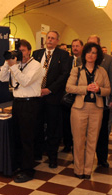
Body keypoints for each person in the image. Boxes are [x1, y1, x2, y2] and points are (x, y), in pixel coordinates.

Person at [0, 39, 44, 183]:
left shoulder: (36, 65)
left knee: (27, 138)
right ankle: (20, 165)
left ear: (29, 51)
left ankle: (28, 170)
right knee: (17, 136)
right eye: (18, 51)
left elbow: (25, 81)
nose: (20, 54)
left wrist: (14, 67)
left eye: (23, 51)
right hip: (17, 103)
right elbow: (2, 78)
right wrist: (8, 63)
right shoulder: (15, 65)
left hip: (30, 104)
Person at [66, 42, 111, 180]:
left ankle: (87, 170)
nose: (91, 55)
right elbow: (69, 87)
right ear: (84, 54)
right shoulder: (77, 70)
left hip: (97, 109)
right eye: (89, 52)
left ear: (98, 55)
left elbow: (108, 90)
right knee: (78, 140)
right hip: (79, 108)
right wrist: (86, 88)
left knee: (92, 140)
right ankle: (78, 169)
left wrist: (99, 90)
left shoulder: (102, 71)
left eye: (94, 53)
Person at [32, 31, 71, 169]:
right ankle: (37, 153)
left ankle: (52, 157)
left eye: (53, 38)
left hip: (53, 97)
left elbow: (64, 74)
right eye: (48, 38)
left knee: (53, 129)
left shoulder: (63, 55)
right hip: (37, 97)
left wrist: (49, 89)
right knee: (37, 126)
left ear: (57, 41)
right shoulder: (36, 54)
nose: (49, 40)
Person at [87, 35, 112, 169]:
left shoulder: (109, 60)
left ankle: (102, 158)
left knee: (102, 132)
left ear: (99, 45)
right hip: (85, 102)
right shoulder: (80, 60)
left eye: (94, 45)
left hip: (102, 101)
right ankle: (84, 158)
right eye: (89, 45)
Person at [62, 38, 85, 153]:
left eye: (77, 46)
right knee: (66, 122)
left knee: (78, 125)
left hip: (80, 96)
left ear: (82, 47)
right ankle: (67, 144)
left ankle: (78, 148)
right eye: (73, 46)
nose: (75, 48)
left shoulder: (85, 61)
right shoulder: (68, 59)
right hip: (67, 96)